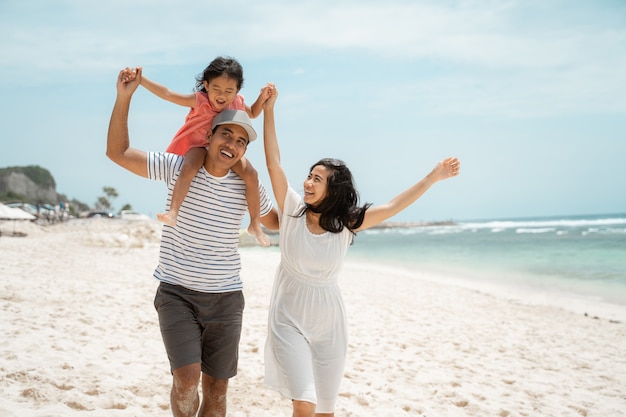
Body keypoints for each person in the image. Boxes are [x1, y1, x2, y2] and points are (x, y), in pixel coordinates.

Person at [261, 89, 460, 416]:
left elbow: (394, 205)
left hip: (330, 324)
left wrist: (434, 177)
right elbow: (273, 162)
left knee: (325, 410)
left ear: (333, 189)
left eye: (317, 179)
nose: (308, 183)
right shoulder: (292, 209)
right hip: (288, 319)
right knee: (304, 403)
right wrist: (269, 110)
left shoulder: (346, 223)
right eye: (309, 176)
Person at [107, 66, 279, 417]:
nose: (231, 144)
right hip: (176, 294)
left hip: (227, 300)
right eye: (226, 135)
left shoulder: (248, 186)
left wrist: (324, 218)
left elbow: (277, 221)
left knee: (217, 392)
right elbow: (119, 152)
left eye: (240, 140)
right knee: (186, 380)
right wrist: (124, 97)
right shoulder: (178, 166)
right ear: (210, 136)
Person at [121, 57, 274, 246]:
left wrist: (263, 97)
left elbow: (253, 113)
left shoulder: (237, 102)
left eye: (229, 91)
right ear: (206, 85)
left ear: (237, 91)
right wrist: (141, 80)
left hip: (223, 152)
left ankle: (255, 224)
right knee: (190, 166)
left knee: (251, 174)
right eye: (216, 89)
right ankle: (173, 211)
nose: (222, 95)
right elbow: (169, 94)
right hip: (198, 147)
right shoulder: (199, 100)